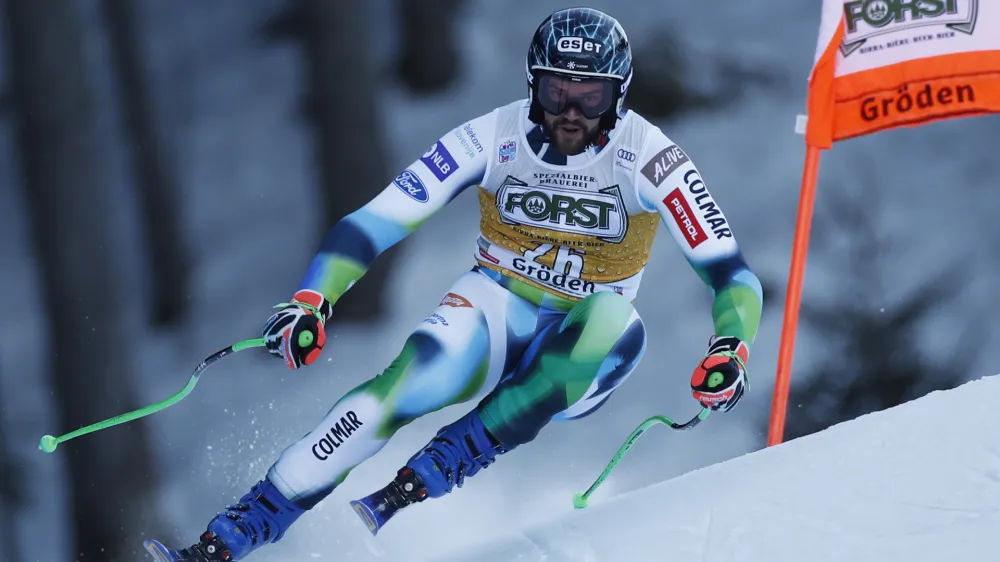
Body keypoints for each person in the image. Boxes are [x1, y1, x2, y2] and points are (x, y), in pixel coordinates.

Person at [143, 6, 763, 562]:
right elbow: (378, 218)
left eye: (590, 97)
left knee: (612, 322)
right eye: (555, 91)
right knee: (396, 390)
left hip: (587, 346)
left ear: (619, 97)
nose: (570, 113)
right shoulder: (492, 135)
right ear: (532, 84)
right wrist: (313, 298)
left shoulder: (649, 155)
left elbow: (730, 273)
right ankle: (224, 541)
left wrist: (730, 346)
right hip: (498, 302)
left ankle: (426, 476)